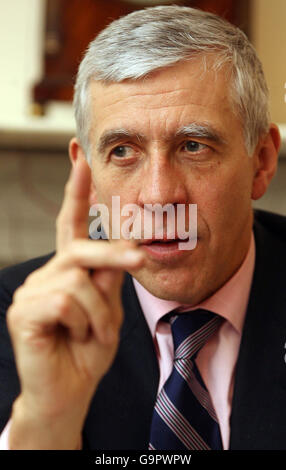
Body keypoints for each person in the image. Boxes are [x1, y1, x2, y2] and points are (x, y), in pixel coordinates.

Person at [0, 5, 285, 450]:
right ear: (87, 174)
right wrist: (47, 416)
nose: (157, 196)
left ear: (261, 162)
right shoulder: (18, 319)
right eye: (122, 152)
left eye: (194, 146)